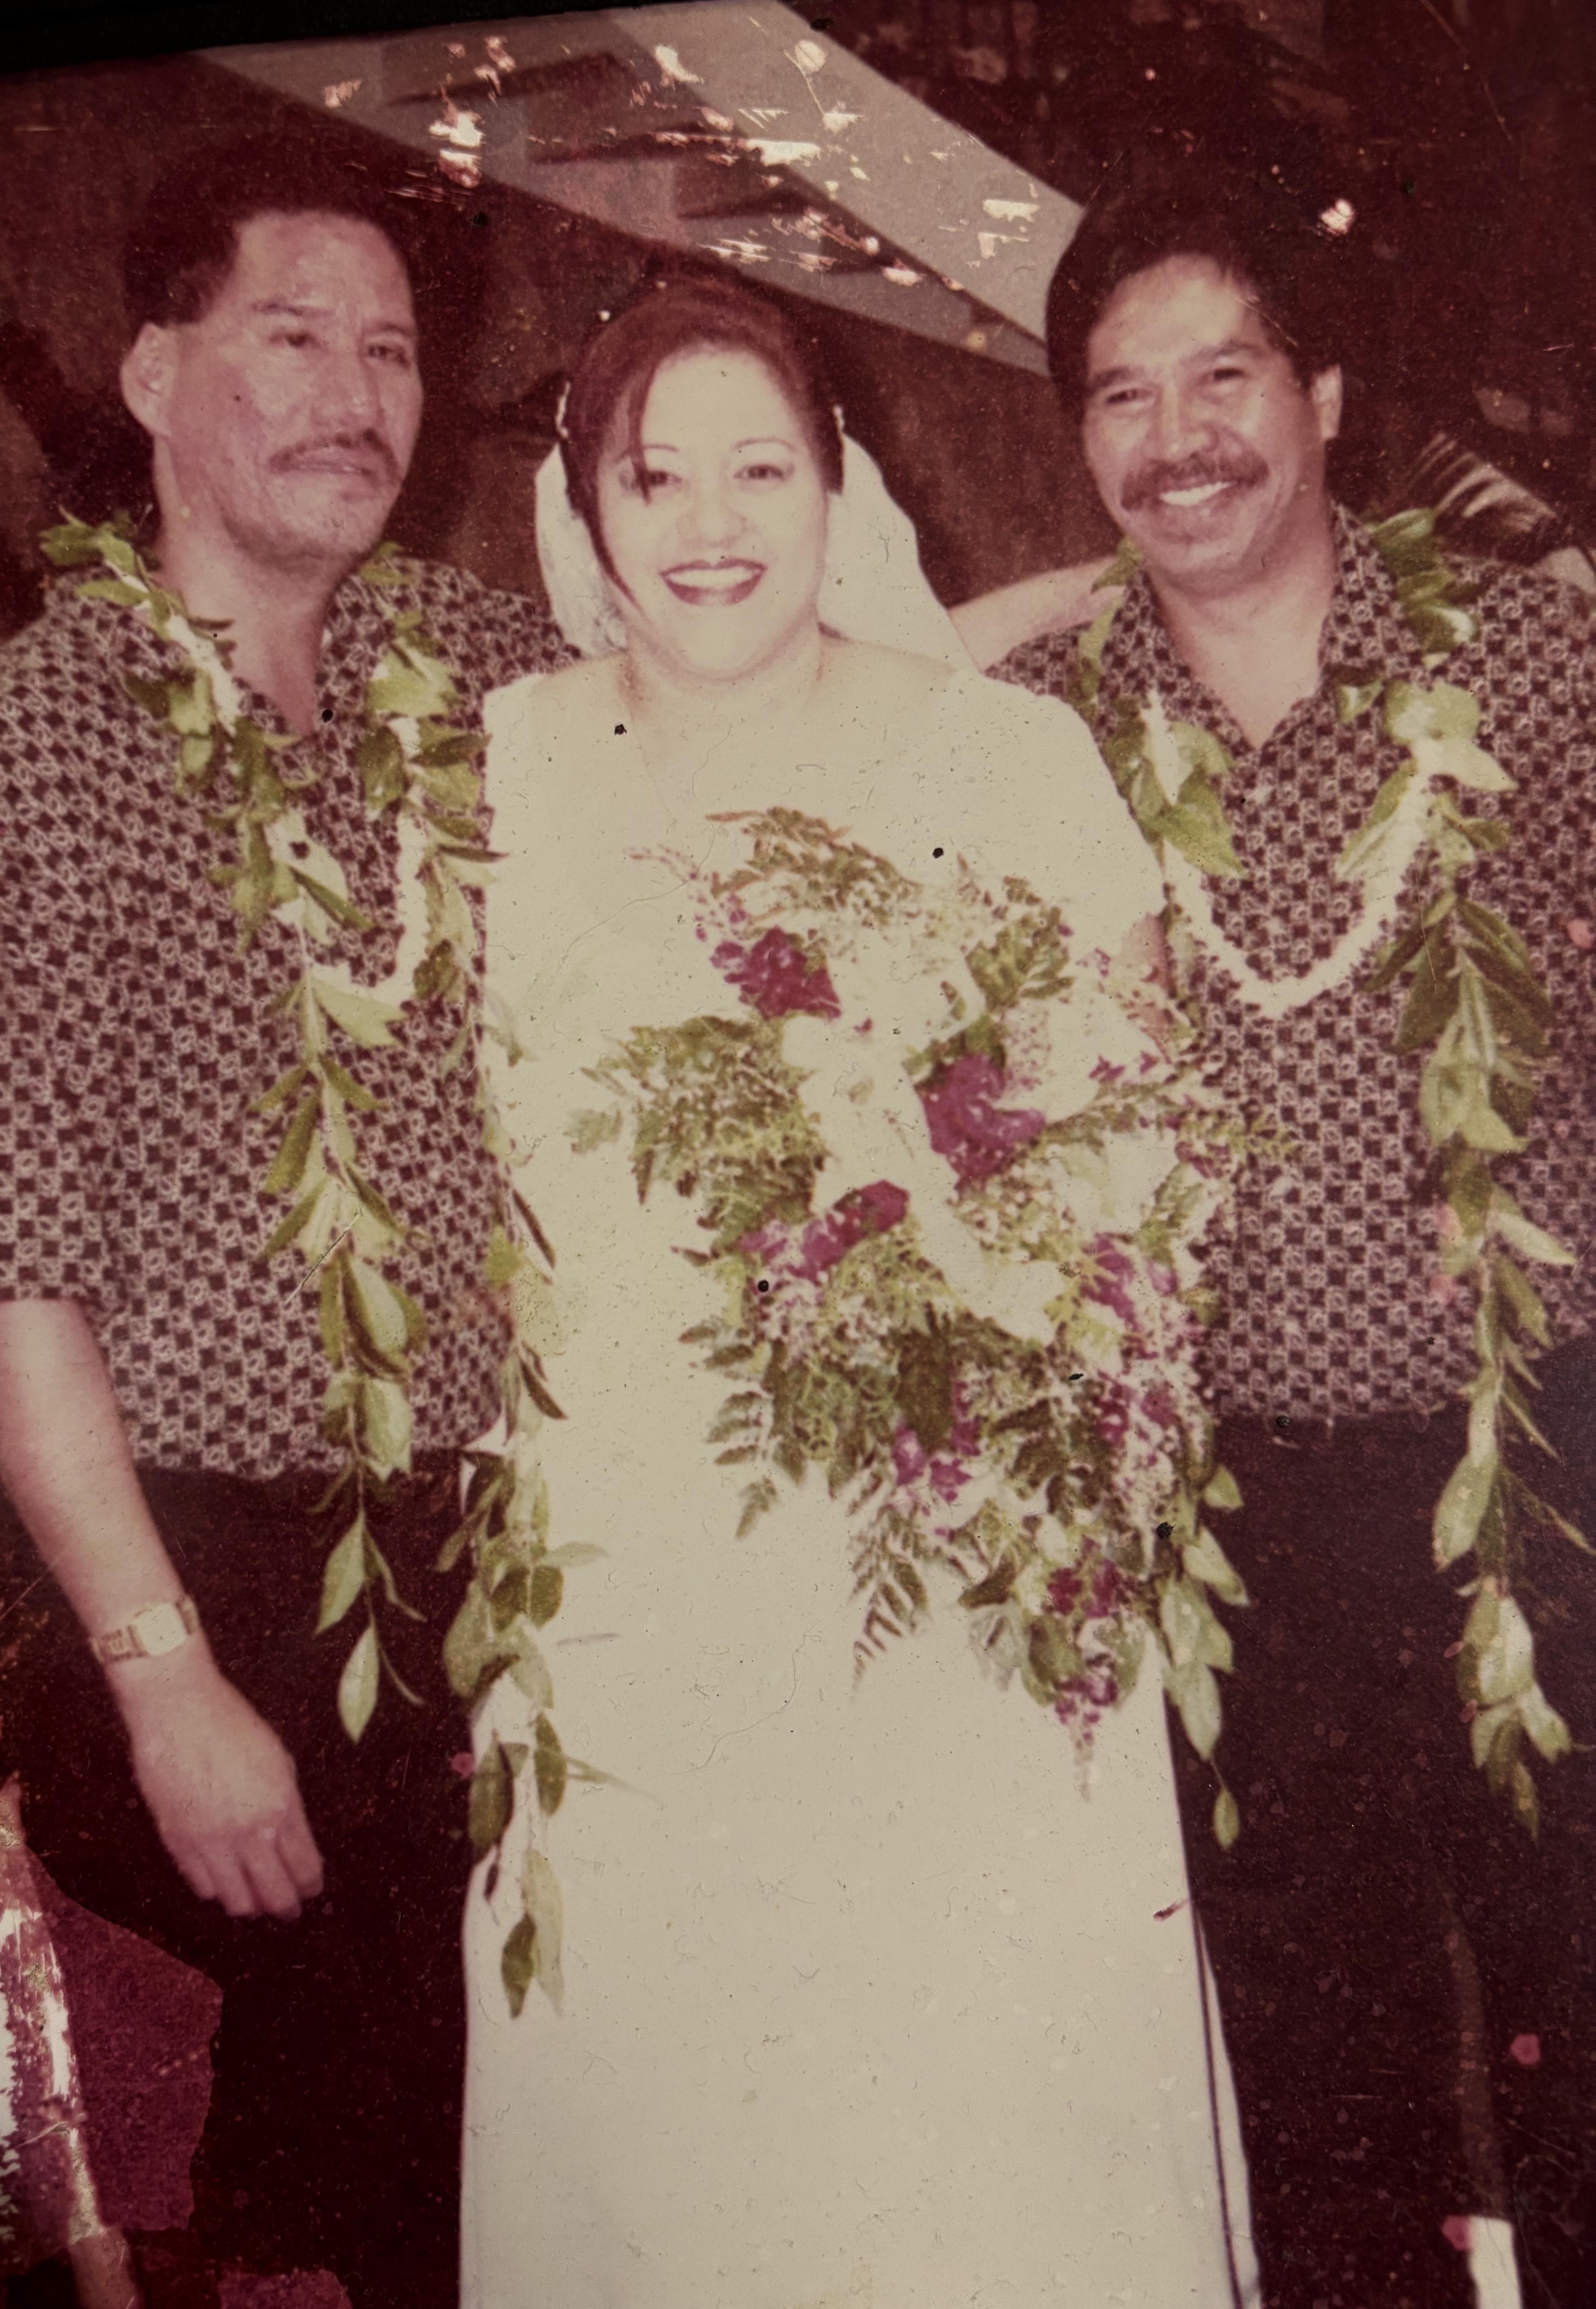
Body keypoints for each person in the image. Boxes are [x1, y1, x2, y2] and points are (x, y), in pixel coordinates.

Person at [461, 272, 1259, 2308]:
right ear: (589, 507)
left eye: (761, 469)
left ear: (841, 486)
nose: (710, 523)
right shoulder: (500, 768)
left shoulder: (1002, 762)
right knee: (675, 2112)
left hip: (938, 1545)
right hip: (622, 1557)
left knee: (965, 2118)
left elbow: (1136, 1160)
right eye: (658, 478)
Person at [0, 136, 569, 2305]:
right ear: (157, 373)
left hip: (481, 1558)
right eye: (293, 337)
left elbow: (758, 673)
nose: (354, 394)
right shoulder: (41, 741)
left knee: (481, 2170)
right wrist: (164, 1677)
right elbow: (2, 1268)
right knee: (256, 2207)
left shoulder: (473, 669)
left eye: (387, 351)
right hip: (191, 1576)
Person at [988, 166, 1596, 2309]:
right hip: (1226, 1491)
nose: (1177, 440)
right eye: (1119, 398)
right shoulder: (1042, 727)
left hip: (1534, 1447)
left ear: (1321, 393)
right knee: (1303, 2032)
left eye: (1221, 376)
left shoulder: (1535, 659)